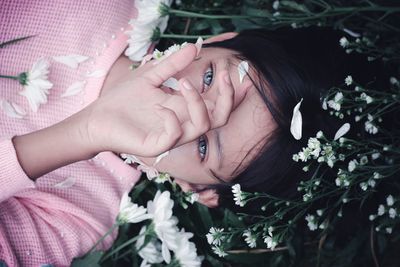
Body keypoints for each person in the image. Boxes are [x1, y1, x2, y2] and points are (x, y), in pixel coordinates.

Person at [0, 0, 381, 266]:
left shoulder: (79, 218)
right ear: (214, 43)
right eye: (211, 78)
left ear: (198, 191)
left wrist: (85, 133)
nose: (184, 105)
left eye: (202, 144)